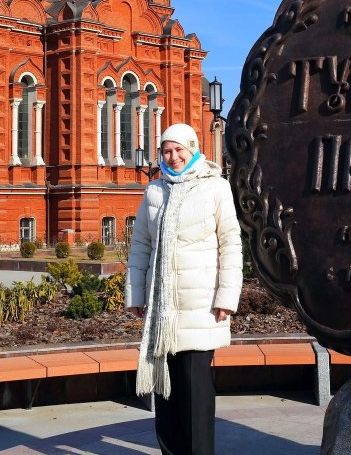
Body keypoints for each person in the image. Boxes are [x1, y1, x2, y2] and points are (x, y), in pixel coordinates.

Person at [127, 123, 242, 455]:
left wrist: (226, 296)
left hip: (202, 304)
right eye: (167, 151)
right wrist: (135, 294)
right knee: (166, 392)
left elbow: (230, 244)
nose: (173, 157)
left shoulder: (215, 187)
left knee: (195, 391)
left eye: (179, 150)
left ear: (193, 149)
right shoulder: (154, 191)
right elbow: (141, 246)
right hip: (162, 309)